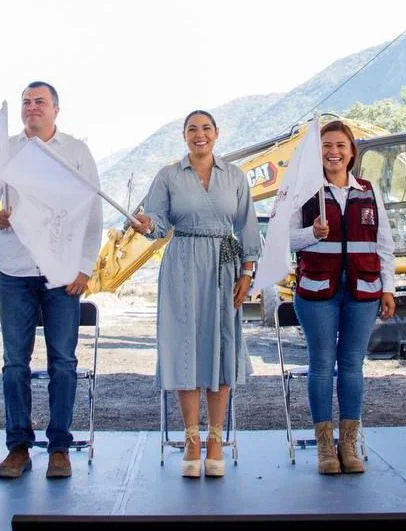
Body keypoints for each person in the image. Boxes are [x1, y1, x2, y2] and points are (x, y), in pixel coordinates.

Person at [131, 110, 261, 478]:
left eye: (205, 128)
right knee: (184, 347)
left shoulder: (234, 176)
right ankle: (191, 438)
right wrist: (146, 225)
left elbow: (247, 226)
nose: (199, 134)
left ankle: (215, 439)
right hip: (182, 263)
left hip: (224, 264)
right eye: (192, 129)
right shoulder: (168, 175)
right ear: (184, 136)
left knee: (221, 347)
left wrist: (247, 272)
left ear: (217, 133)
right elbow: (156, 223)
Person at [0, 82, 103, 480]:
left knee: (64, 364)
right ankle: (18, 447)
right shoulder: (5, 151)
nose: (32, 107)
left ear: (56, 109)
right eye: (26, 102)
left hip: (63, 272)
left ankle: (59, 448)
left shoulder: (77, 152)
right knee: (14, 364)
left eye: (40, 102)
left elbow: (93, 212)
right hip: (14, 269)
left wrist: (85, 266)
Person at [289, 120, 396, 474]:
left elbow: (384, 243)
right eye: (326, 146)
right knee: (322, 364)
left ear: (352, 151)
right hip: (317, 290)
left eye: (340, 145)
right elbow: (283, 239)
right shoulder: (304, 191)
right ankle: (325, 447)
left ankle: (348, 444)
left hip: (363, 290)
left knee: (352, 365)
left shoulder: (368, 190)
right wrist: (311, 233)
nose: (333, 152)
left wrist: (389, 287)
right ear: (317, 152)